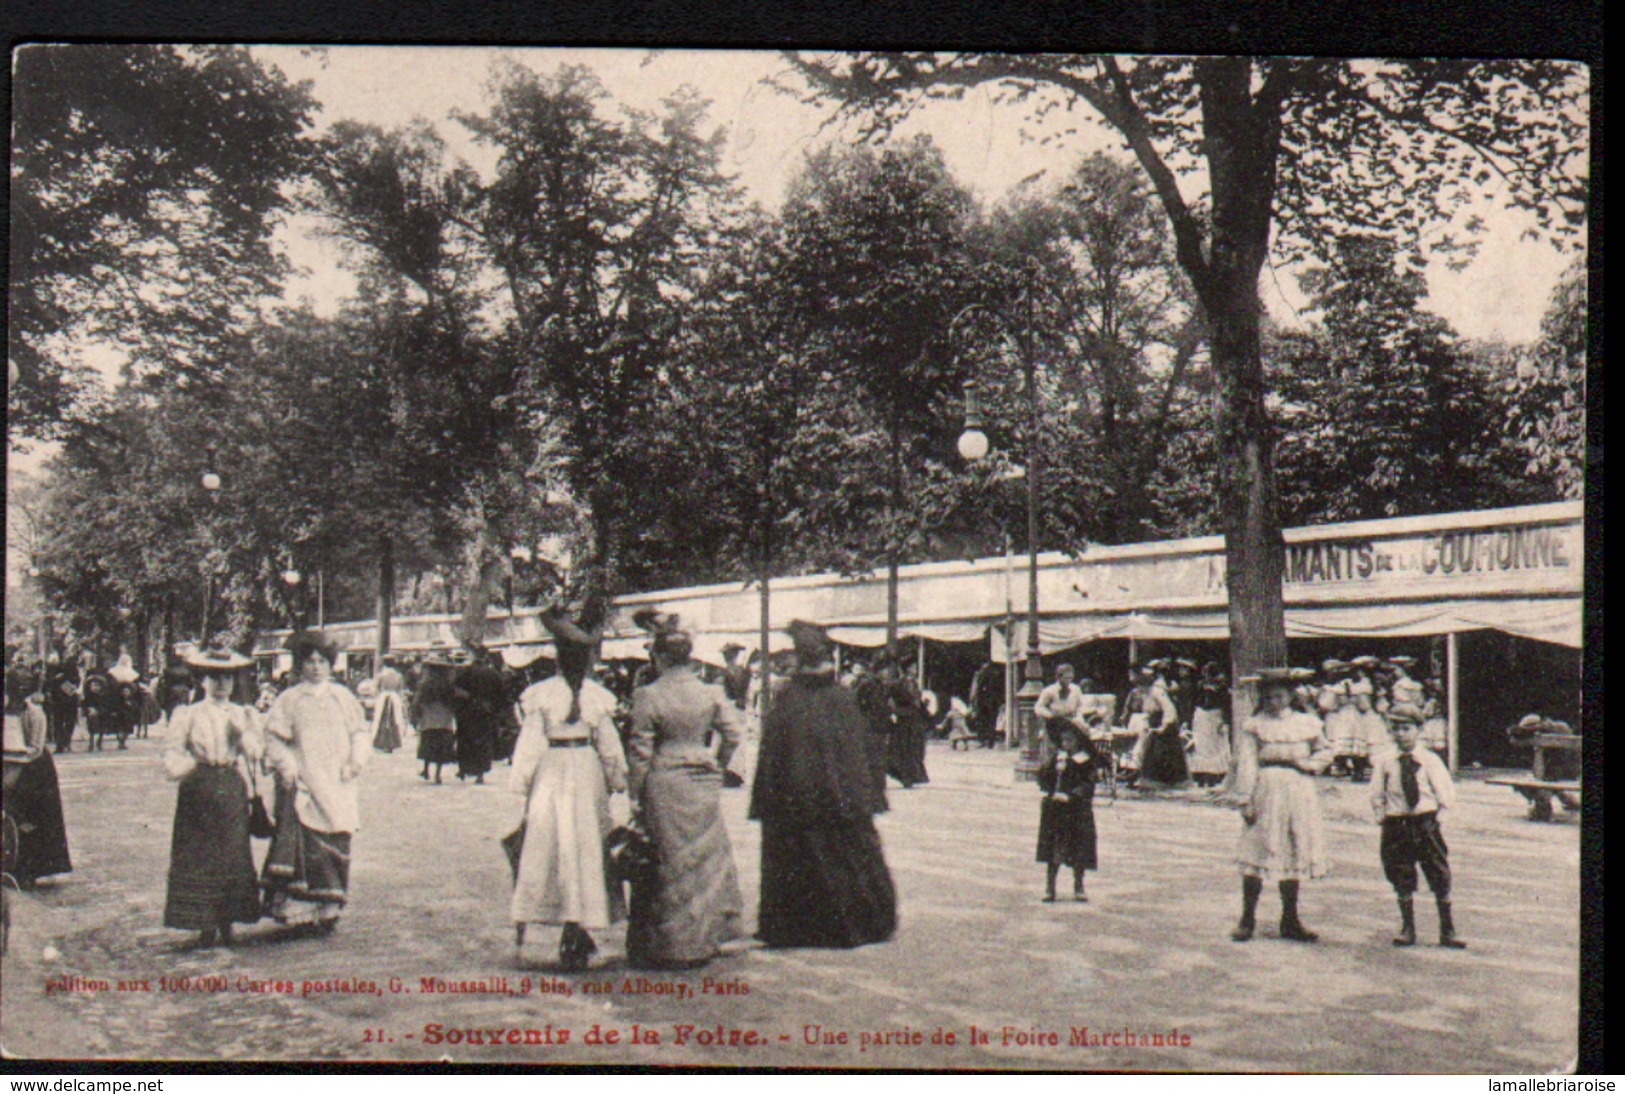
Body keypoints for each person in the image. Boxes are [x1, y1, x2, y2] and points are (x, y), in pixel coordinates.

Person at [750, 620, 896, 949]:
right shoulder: (842, 700)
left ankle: (797, 925)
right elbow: (862, 753)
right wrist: (867, 794)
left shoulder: (788, 701)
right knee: (845, 855)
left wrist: (769, 800)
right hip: (841, 802)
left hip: (795, 805)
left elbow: (772, 756)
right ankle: (855, 920)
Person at [510, 608, 628, 971]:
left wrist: (523, 782)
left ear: (557, 659)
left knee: (554, 844)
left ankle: (569, 925)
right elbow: (609, 747)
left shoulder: (540, 695)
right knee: (586, 845)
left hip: (553, 769)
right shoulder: (598, 696)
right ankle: (578, 927)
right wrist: (617, 780)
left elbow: (530, 745)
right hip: (586, 768)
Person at [624, 615, 745, 969]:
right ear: (689, 657)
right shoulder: (710, 692)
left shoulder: (648, 695)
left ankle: (670, 943)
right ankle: (705, 938)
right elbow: (734, 735)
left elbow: (640, 751)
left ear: (659, 657)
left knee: (670, 860)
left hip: (665, 777)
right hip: (702, 775)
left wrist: (635, 793)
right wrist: (718, 765)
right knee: (705, 859)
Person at [260, 630, 371, 933]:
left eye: (321, 661)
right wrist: (287, 766)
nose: (316, 667)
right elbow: (273, 737)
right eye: (309, 661)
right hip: (305, 782)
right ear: (300, 665)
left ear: (331, 664)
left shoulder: (343, 698)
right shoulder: (291, 699)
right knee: (305, 846)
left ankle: (330, 907)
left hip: (338, 780)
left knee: (337, 837)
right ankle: (301, 909)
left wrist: (355, 762)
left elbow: (360, 733)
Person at [161, 647, 263, 947]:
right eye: (215, 677)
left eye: (228, 678)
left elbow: (257, 754)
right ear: (202, 680)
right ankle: (202, 922)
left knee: (232, 854)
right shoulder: (189, 714)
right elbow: (172, 753)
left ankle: (228, 920)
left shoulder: (243, 713)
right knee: (200, 855)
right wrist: (187, 767)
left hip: (230, 784)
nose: (222, 684)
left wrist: (242, 734)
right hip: (199, 786)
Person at [1231, 669, 1333, 943]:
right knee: (1259, 848)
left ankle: (1290, 920)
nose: (1273, 702)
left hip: (1299, 790)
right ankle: (1247, 919)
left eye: (1279, 696)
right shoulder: (1255, 725)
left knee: (1292, 847)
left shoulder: (1306, 723)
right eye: (1268, 698)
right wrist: (1245, 799)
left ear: (1290, 696)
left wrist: (1308, 764)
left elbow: (1325, 751)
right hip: (1267, 788)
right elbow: (1248, 763)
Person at [1370, 704, 1465, 949]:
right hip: (1396, 824)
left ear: (1419, 729)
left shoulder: (1429, 760)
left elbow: (1445, 792)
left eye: (1406, 728)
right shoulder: (1385, 761)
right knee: (1399, 871)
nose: (1401, 734)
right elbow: (1377, 792)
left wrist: (1438, 820)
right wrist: (1382, 815)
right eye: (1396, 729)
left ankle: (1448, 929)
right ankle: (1407, 927)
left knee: (1437, 871)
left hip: (1424, 823)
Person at [2, 664, 73, 887]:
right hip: (8, 764)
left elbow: (35, 748)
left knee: (31, 817)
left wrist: (14, 762)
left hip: (34, 769)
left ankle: (31, 868)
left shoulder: (35, 714)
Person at [1036, 717, 1099, 902]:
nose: (1065, 744)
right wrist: (1050, 770)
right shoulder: (1058, 758)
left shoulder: (1085, 760)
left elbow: (1089, 784)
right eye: (1063, 740)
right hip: (1056, 809)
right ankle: (1050, 887)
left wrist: (1072, 795)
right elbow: (1043, 780)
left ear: (1078, 742)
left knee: (1079, 848)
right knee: (1053, 848)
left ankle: (1078, 886)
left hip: (1077, 810)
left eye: (1070, 740)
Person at [452, 649, 506, 785]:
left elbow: (455, 690)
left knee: (465, 740)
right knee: (484, 741)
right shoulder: (493, 674)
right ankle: (480, 774)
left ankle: (464, 769)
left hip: (467, 711)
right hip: (486, 712)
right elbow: (501, 695)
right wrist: (495, 710)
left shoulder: (465, 672)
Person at [411, 658, 458, 784]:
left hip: (429, 716)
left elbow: (417, 701)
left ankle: (426, 769)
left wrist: (415, 715)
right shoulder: (448, 685)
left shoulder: (425, 684)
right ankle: (438, 774)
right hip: (444, 717)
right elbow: (454, 700)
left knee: (428, 742)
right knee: (441, 745)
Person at [1188, 662, 1231, 787]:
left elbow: (1225, 703)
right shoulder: (1200, 684)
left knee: (1214, 745)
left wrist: (1224, 721)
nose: (1206, 675)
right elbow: (1195, 699)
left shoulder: (1222, 686)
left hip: (1215, 715)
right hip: (1202, 715)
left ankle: (1214, 774)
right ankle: (1200, 774)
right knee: (1201, 744)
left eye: (1208, 672)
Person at [42, 656, 80, 754]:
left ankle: (63, 743)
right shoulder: (53, 669)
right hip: (62, 699)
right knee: (61, 722)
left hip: (65, 699)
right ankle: (62, 743)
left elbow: (76, 681)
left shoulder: (68, 667)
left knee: (64, 722)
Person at [371, 661, 408, 753]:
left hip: (383, 698)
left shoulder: (380, 675)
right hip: (394, 698)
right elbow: (400, 689)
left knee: (381, 719)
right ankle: (393, 743)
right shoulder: (398, 676)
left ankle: (382, 742)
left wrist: (378, 696)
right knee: (395, 720)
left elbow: (375, 688)